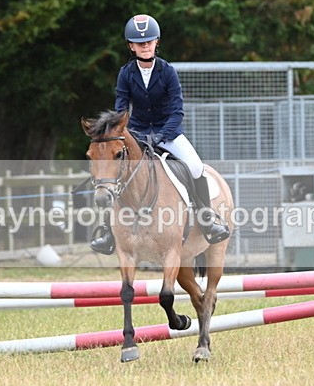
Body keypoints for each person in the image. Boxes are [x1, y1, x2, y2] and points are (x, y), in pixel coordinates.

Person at [90, 14, 230, 254]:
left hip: (169, 133)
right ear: (131, 46)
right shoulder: (125, 73)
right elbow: (121, 111)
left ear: (156, 43)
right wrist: (131, 134)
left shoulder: (168, 72)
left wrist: (161, 136)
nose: (145, 46)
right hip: (137, 134)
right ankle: (107, 230)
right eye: (139, 43)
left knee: (195, 167)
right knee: (114, 174)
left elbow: (177, 112)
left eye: (149, 42)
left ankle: (208, 218)